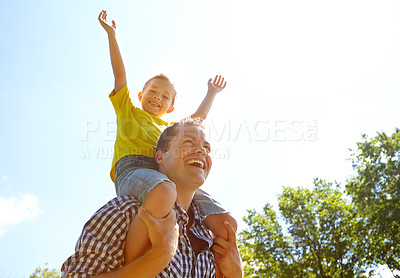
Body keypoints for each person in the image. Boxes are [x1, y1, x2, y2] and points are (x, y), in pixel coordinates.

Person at [98, 9, 237, 264]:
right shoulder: (127, 110)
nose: (157, 97)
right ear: (140, 95)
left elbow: (197, 120)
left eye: (164, 96)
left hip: (168, 172)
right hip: (133, 170)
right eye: (152, 91)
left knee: (226, 222)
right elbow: (120, 76)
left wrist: (212, 93)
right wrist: (112, 35)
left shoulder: (169, 129)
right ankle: (135, 263)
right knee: (164, 192)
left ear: (170, 107)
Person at [61, 119, 243, 277]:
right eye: (188, 142)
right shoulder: (124, 211)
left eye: (207, 147)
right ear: (160, 157)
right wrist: (161, 254)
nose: (201, 150)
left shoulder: (212, 236)